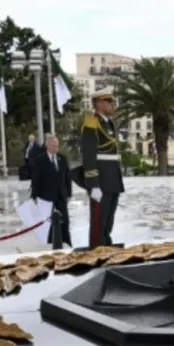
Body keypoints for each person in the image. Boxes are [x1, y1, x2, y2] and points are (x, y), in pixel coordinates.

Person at [77, 88, 124, 247]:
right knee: (99, 222)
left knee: (108, 221)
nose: (113, 104)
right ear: (98, 103)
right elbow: (89, 155)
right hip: (101, 181)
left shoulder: (109, 123)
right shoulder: (92, 123)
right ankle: (97, 250)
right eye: (109, 101)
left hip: (113, 179)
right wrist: (93, 184)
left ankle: (107, 247)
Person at [31, 135, 72, 245]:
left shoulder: (62, 159)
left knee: (65, 221)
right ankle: (50, 243)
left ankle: (66, 242)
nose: (55, 148)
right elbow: (36, 179)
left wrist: (68, 193)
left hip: (61, 196)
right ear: (47, 146)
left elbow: (67, 178)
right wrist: (34, 195)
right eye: (53, 146)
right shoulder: (40, 160)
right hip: (46, 197)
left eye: (57, 146)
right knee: (48, 223)